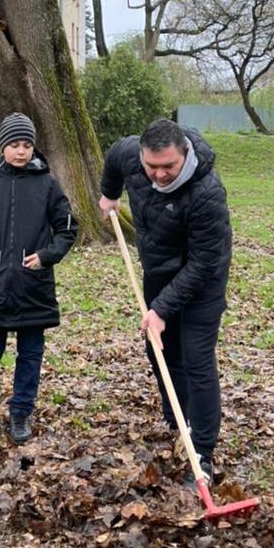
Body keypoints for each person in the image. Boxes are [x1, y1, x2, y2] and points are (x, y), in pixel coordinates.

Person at [99, 118, 232, 485]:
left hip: (202, 281)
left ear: (185, 154)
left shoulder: (207, 192)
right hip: (159, 271)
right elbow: (113, 158)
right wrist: (109, 194)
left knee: (195, 358)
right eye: (151, 166)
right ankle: (178, 420)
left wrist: (161, 309)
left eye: (168, 167)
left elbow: (205, 262)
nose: (158, 174)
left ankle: (201, 452)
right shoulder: (130, 154)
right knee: (159, 351)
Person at [0, 112, 78, 445]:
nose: (21, 152)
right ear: (3, 146)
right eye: (15, 145)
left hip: (34, 288)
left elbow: (67, 228)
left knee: (30, 354)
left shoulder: (49, 185)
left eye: (27, 145)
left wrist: (47, 256)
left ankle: (21, 411)